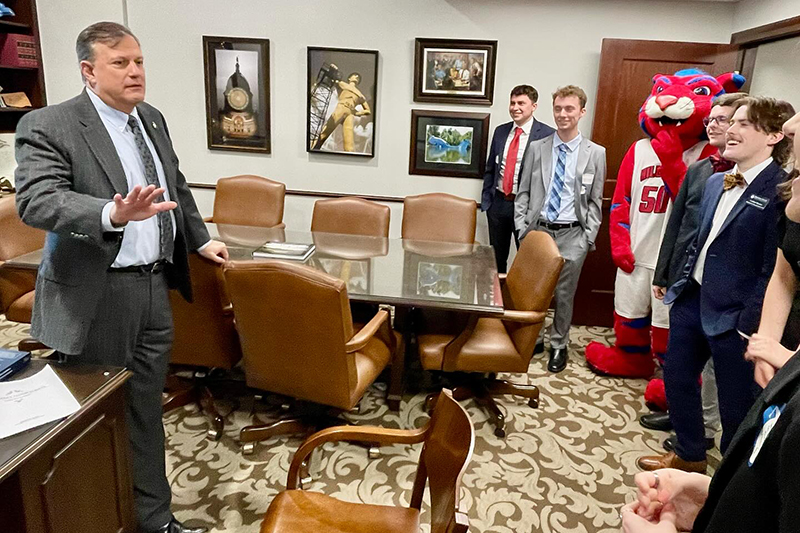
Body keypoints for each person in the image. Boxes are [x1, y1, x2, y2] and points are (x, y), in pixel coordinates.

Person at [14, 22, 227, 533]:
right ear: (88, 71)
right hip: (98, 295)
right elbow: (37, 200)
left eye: (138, 61)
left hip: (155, 287)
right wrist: (110, 213)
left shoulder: (149, 118)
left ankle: (154, 521)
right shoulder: (49, 124)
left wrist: (197, 239)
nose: (135, 72)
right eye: (120, 63)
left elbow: (175, 183)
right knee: (92, 424)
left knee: (144, 413)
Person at [637, 96, 794, 474]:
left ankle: (728, 482)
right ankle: (690, 454)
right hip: (693, 298)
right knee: (676, 378)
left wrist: (748, 322)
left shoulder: (781, 191)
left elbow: (774, 270)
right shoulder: (714, 181)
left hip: (736, 318)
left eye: (744, 124)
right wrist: (677, 282)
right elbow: (697, 237)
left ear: (773, 136)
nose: (731, 130)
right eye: (731, 121)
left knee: (735, 407)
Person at [641, 92, 747, 449]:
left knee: (717, 373)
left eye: (723, 119)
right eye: (711, 120)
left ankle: (707, 428)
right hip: (688, 281)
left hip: (726, 296)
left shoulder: (760, 180)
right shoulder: (703, 170)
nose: (715, 126)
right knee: (679, 365)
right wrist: (663, 272)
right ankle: (684, 425)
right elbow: (679, 223)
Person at [514, 85, 607, 373]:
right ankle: (535, 340)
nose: (563, 114)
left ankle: (558, 344)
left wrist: (588, 236)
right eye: (558, 108)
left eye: (569, 109)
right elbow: (524, 192)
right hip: (538, 232)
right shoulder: (537, 148)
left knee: (564, 295)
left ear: (581, 111)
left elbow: (595, 200)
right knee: (534, 293)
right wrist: (522, 229)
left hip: (572, 234)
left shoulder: (596, 153)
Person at [746, 109, 800, 385]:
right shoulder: (796, 190)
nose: (791, 126)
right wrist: (767, 342)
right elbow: (784, 273)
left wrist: (794, 363)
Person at [481, 85, 554, 274]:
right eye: (512, 103)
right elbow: (490, 168)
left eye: (521, 103)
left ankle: (522, 303)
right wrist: (487, 202)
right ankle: (497, 300)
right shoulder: (501, 131)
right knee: (496, 260)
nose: (515, 107)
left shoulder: (547, 135)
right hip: (498, 205)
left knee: (529, 260)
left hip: (527, 208)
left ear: (534, 106)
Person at [312, 71, 371, 152]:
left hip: (349, 114)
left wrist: (356, 113)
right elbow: (332, 78)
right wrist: (333, 70)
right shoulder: (342, 84)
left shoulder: (360, 95)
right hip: (341, 108)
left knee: (349, 143)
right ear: (349, 78)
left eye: (358, 77)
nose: (356, 77)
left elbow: (368, 111)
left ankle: (351, 159)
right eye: (354, 75)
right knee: (324, 134)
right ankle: (314, 149)